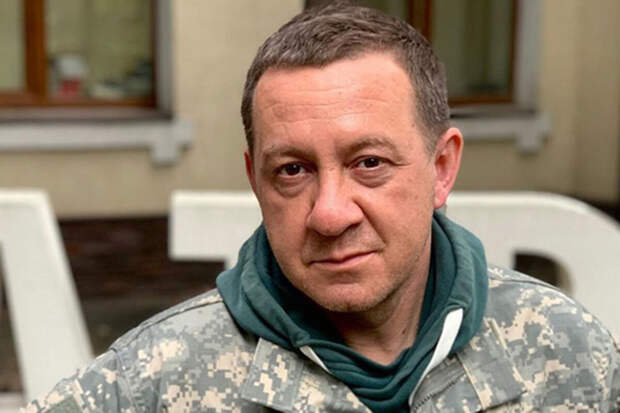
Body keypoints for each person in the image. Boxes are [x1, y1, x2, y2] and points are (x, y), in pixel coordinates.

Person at [23, 2, 619, 412]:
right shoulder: (153, 380)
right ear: (255, 181)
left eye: (369, 163)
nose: (330, 214)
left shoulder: (567, 352)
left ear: (441, 168)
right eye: (293, 170)